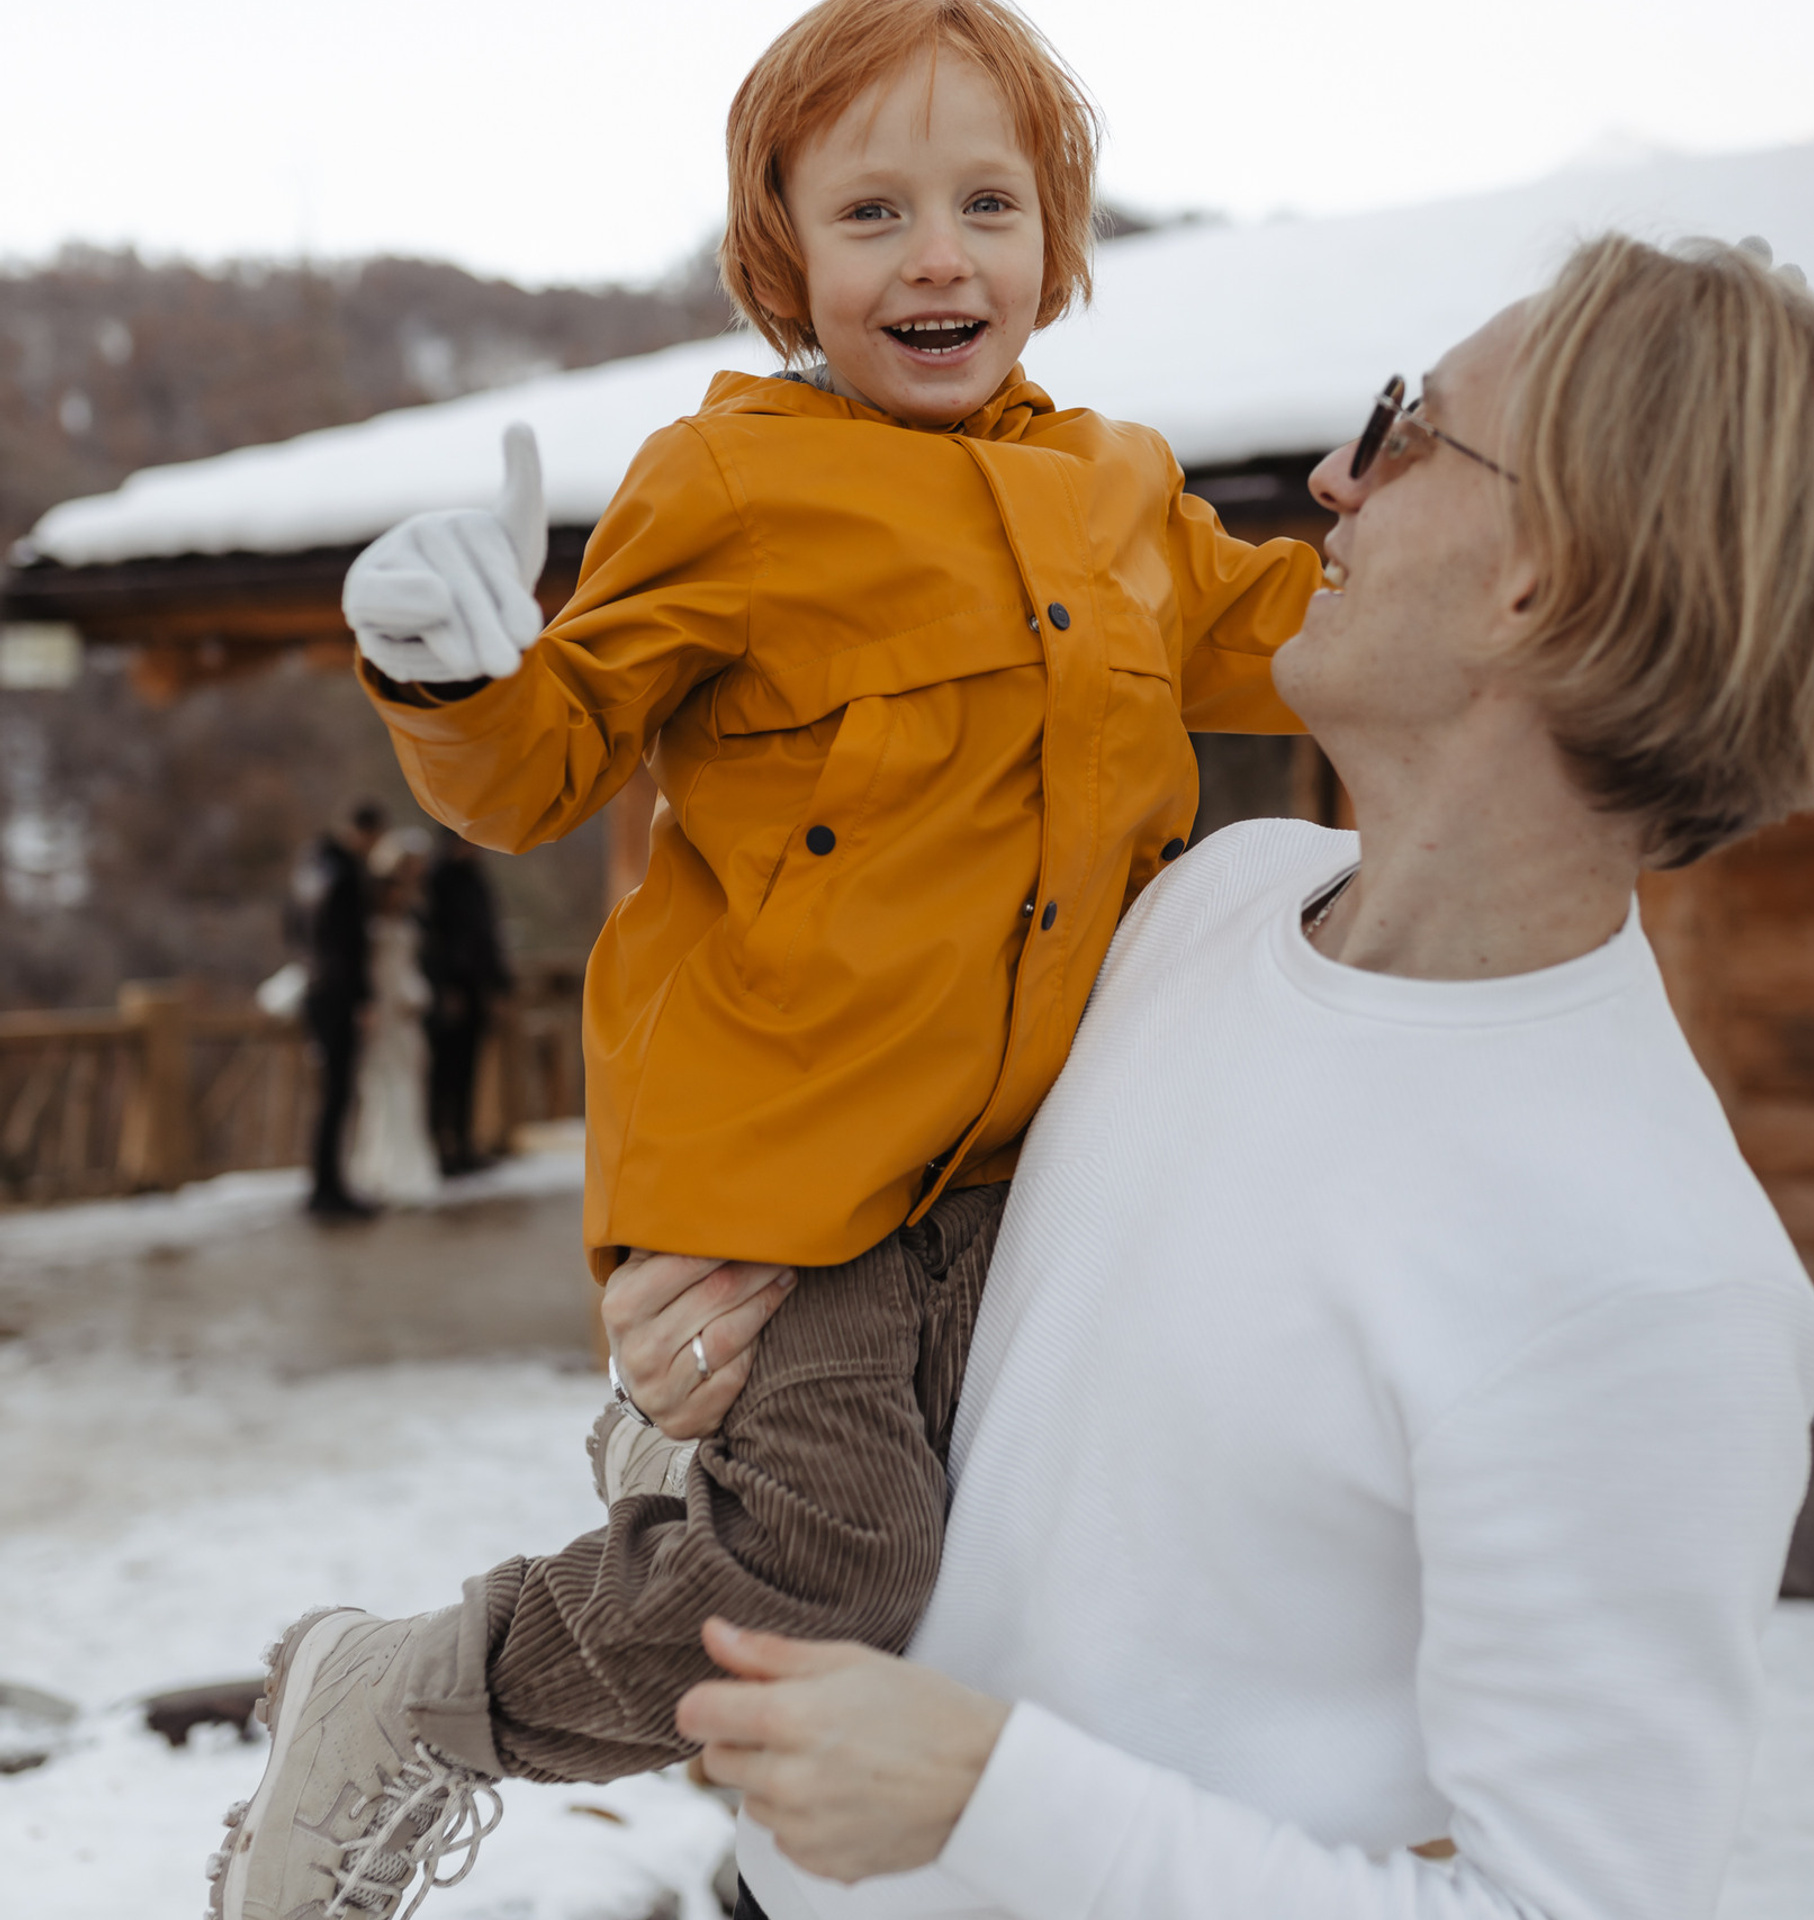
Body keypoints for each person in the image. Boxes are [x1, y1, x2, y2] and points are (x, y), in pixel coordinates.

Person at [646, 236, 1814, 1920]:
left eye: (1410, 430)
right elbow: (1006, 1389)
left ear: (1548, 571)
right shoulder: (1207, 901)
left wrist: (990, 1798)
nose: (1337, 475)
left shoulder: (1657, 1281)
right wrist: (726, 1340)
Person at [209, 6, 1323, 1917]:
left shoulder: (1132, 498)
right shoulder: (727, 484)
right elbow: (544, 759)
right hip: (779, 1187)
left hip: (1018, 1175)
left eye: (990, 202)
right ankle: (404, 1691)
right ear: (783, 251)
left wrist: (1450, 537)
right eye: (873, 210)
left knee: (1013, 1564)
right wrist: (451, 671)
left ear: (1061, 242)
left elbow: (1309, 640)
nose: (940, 256)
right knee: (836, 1567)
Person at [293, 799, 385, 1218]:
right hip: (338, 994)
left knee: (331, 1094)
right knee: (336, 1093)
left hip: (316, 986)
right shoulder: (346, 874)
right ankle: (327, 1188)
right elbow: (351, 947)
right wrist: (362, 999)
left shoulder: (311, 869)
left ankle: (326, 1183)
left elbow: (294, 927)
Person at [347, 829, 442, 1205]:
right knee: (383, 1089)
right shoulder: (374, 929)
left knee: (405, 1086)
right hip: (385, 1015)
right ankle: (383, 1166)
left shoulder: (408, 920)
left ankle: (399, 1164)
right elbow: (382, 975)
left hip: (402, 1018)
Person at [420, 829, 513, 1176]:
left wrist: (499, 987)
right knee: (444, 1073)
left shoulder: (477, 879)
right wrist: (444, 988)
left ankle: (464, 1141)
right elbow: (433, 943)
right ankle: (440, 1146)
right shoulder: (437, 881)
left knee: (468, 1072)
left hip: (477, 989)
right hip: (450, 991)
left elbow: (489, 939)